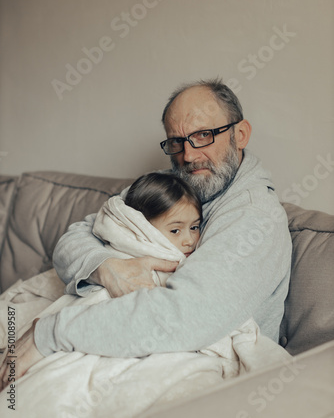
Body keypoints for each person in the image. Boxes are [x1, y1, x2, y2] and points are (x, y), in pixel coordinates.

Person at [0, 78, 292, 388]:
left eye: (203, 136)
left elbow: (184, 318)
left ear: (241, 134)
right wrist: (107, 267)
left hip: (188, 360)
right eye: (176, 142)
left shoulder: (253, 216)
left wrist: (50, 332)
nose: (189, 156)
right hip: (117, 331)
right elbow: (76, 236)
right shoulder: (172, 182)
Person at [91, 171, 202, 287]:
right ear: (143, 227)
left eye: (194, 227)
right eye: (175, 230)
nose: (189, 241)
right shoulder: (127, 263)